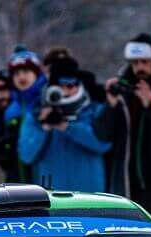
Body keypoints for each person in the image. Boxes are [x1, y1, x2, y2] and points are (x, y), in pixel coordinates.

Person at [98, 34, 151, 234]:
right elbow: (103, 136)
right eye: (135, 62)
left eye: (145, 62)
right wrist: (110, 105)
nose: (140, 68)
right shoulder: (123, 92)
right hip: (129, 189)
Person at [18, 56, 111, 192]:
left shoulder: (95, 111)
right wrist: (44, 129)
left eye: (70, 85)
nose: (65, 92)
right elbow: (26, 155)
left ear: (80, 85)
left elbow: (104, 143)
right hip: (53, 199)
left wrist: (67, 127)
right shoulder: (36, 116)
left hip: (90, 197)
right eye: (59, 87)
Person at [3, 45, 47, 183]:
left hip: (45, 174)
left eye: (26, 71)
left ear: (36, 73)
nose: (21, 77)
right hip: (20, 178)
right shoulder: (11, 109)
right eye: (16, 73)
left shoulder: (46, 99)